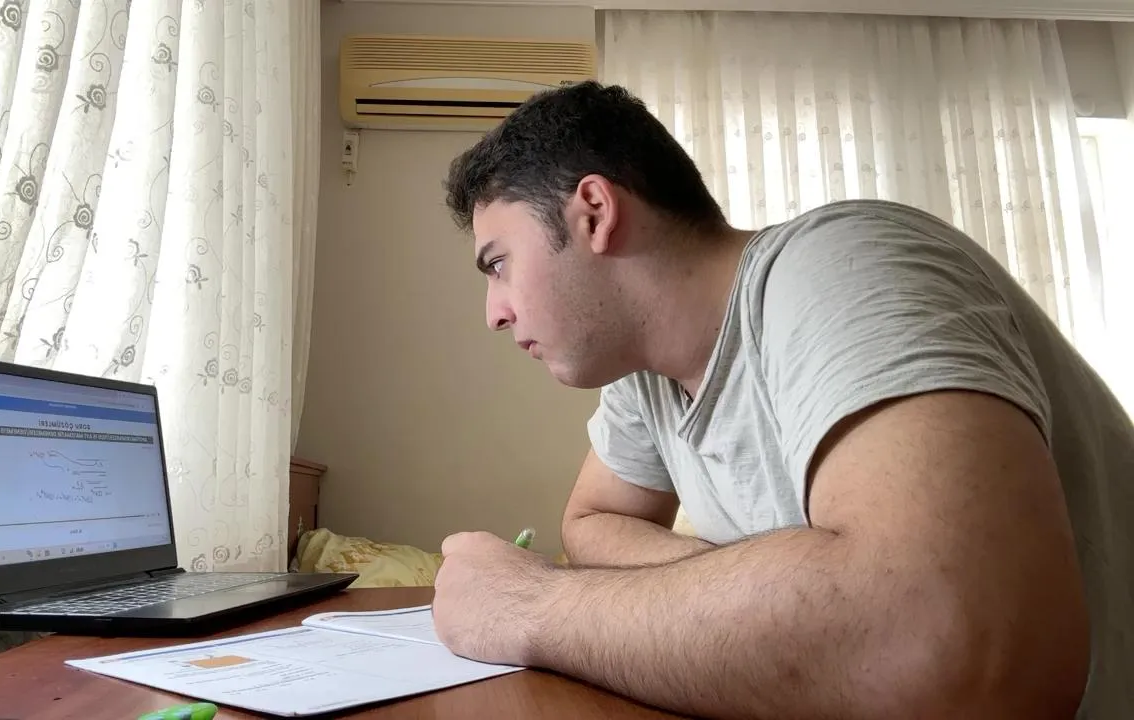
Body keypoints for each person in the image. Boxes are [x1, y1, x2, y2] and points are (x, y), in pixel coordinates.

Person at [432, 80, 1134, 719]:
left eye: (499, 263)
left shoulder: (844, 264)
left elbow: (960, 648)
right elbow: (591, 521)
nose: (494, 313)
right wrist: (762, 590)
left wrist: (531, 605)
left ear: (594, 213)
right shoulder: (643, 376)